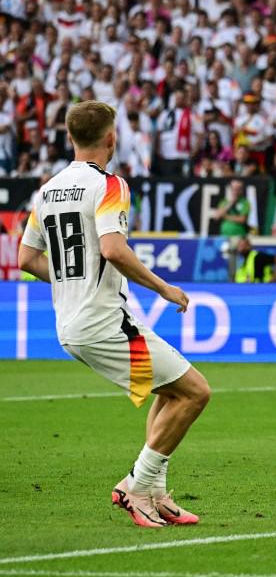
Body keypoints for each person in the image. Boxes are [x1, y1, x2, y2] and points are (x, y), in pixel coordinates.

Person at [17, 100, 211, 528]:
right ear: (111, 138)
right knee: (196, 392)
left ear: (70, 138)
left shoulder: (46, 190)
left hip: (71, 324)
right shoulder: (110, 185)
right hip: (104, 320)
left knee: (169, 388)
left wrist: (72, 280)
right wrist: (164, 288)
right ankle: (137, 486)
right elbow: (112, 248)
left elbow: (27, 259)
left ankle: (156, 491)